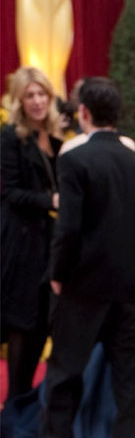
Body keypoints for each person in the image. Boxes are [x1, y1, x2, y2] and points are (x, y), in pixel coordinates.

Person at [20, 77, 135, 438]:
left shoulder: (75, 160)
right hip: (131, 286)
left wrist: (58, 275)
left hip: (82, 285)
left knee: (65, 370)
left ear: (83, 112)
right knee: (129, 376)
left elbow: (69, 228)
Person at [0, 65, 61, 401]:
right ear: (20, 101)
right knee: (21, 320)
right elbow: (10, 192)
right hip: (20, 242)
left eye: (42, 94)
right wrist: (51, 199)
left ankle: (24, 402)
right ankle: (15, 400)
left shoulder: (54, 138)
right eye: (30, 95)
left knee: (41, 319)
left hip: (49, 240)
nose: (37, 101)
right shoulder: (11, 136)